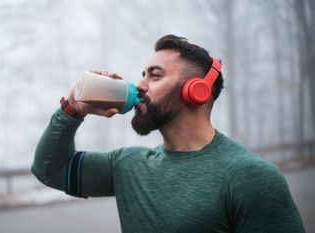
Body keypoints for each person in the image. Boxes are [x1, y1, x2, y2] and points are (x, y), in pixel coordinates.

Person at [31, 34, 305, 233]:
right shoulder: (128, 165)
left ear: (196, 91)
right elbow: (50, 169)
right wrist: (72, 109)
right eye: (143, 74)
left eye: (156, 75)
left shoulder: (251, 178)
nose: (139, 85)